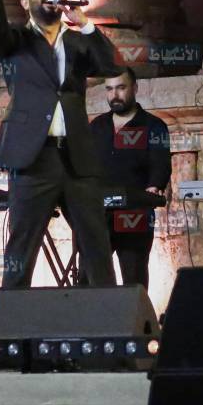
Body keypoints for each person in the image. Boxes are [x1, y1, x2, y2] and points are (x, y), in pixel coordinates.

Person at [0, 0, 117, 289]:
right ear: (26, 2)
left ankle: (109, 318)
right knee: (22, 247)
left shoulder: (77, 41)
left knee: (97, 245)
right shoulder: (16, 41)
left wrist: (85, 24)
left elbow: (112, 66)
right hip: (33, 157)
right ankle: (9, 321)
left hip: (76, 157)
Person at [88, 68, 171, 288]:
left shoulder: (154, 126)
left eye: (121, 88)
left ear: (135, 88)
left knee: (134, 279)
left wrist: (154, 186)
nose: (114, 95)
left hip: (135, 214)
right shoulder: (97, 126)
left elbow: (161, 164)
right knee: (88, 278)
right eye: (109, 89)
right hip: (98, 215)